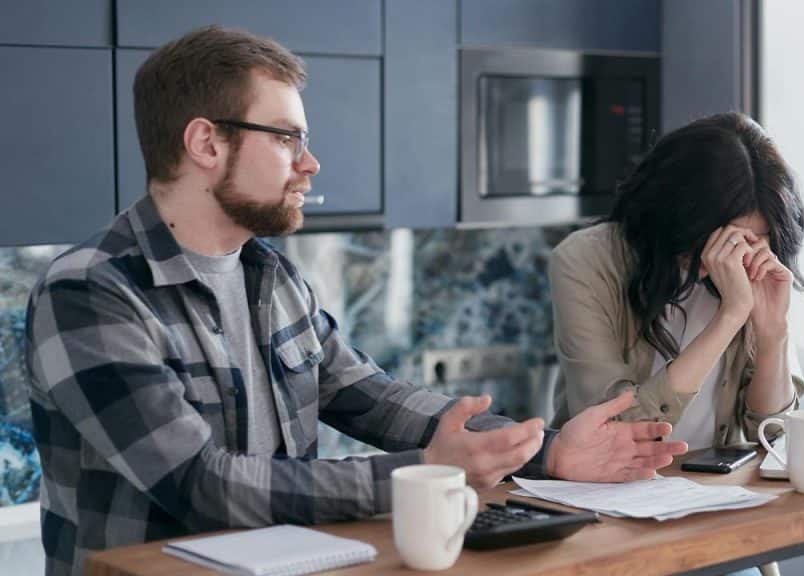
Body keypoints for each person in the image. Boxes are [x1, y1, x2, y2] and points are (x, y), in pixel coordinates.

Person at [24, 26, 687, 576]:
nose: (309, 164)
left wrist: (543, 452)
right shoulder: (90, 292)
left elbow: (375, 398)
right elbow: (202, 486)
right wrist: (424, 473)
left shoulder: (273, 279)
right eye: (287, 138)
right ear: (206, 143)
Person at [548, 112, 804, 576]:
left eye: (758, 240)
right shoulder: (585, 261)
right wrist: (729, 317)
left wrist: (772, 335)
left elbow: (776, 438)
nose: (743, 256)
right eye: (727, 240)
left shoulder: (758, 270)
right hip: (606, 512)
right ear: (679, 219)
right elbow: (612, 435)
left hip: (713, 511)